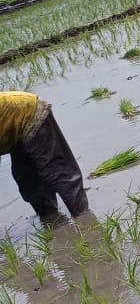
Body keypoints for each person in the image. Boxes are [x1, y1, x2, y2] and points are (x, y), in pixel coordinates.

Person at [1, 92, 90, 224]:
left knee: (59, 172)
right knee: (29, 183)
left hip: (28, 112)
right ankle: (52, 221)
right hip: (12, 131)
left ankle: (87, 222)